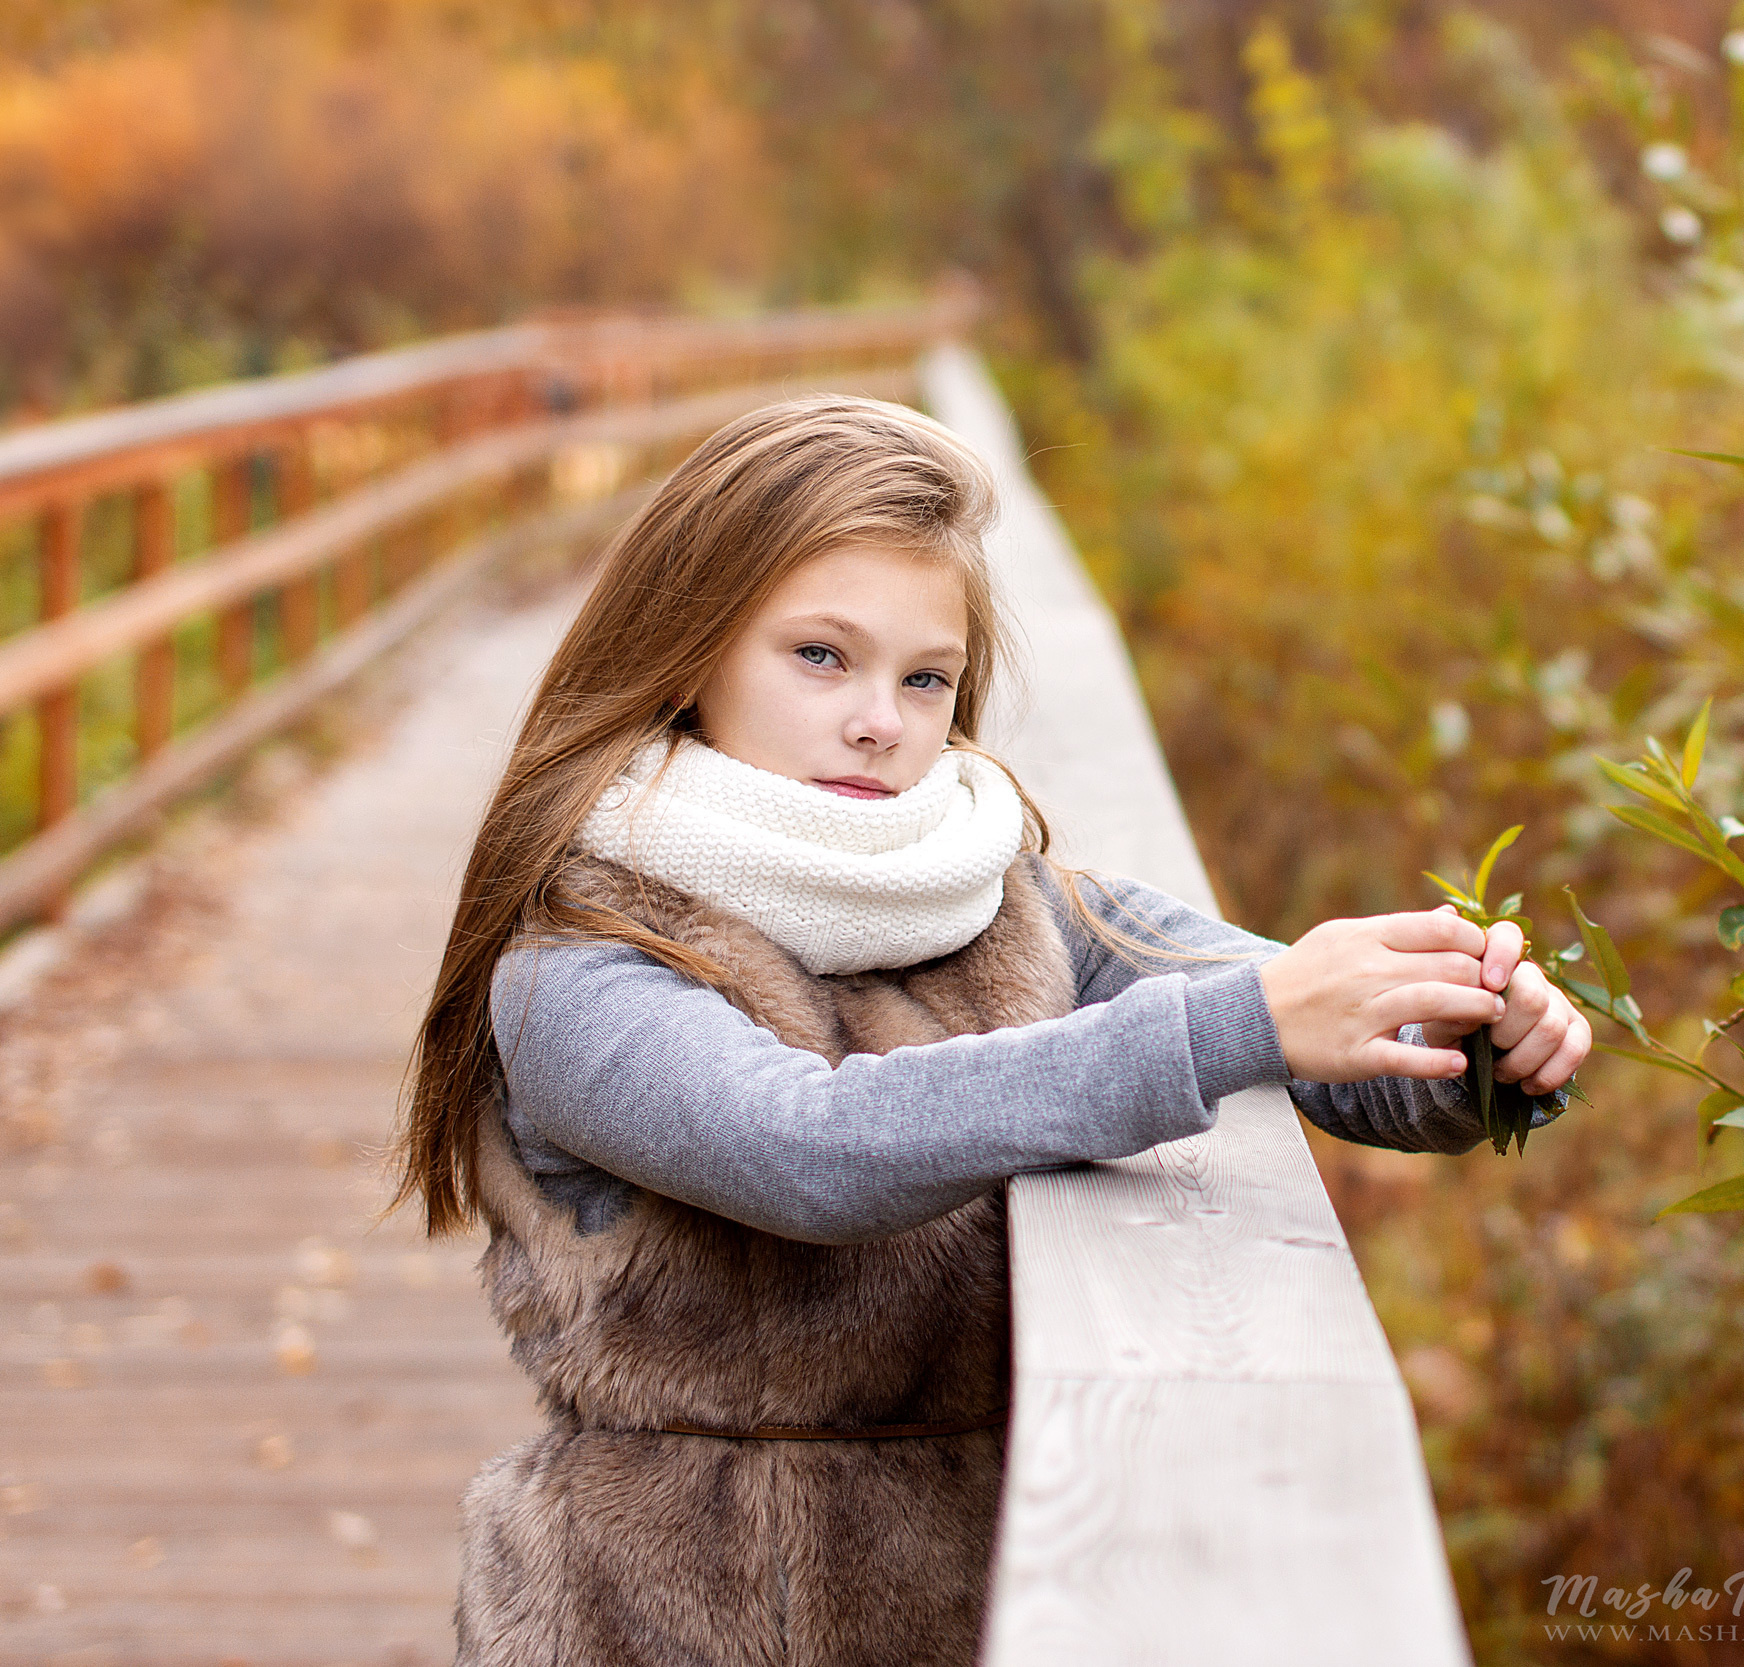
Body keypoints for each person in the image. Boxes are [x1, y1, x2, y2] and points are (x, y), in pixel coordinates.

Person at [391, 392, 1592, 1666]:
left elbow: (1315, 1042)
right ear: (689, 645)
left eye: (925, 677)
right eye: (819, 655)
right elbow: (806, 1147)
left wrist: (1472, 1035)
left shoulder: (994, 887)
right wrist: (1248, 1019)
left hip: (990, 1587)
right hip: (668, 1607)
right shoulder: (581, 956)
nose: (879, 719)